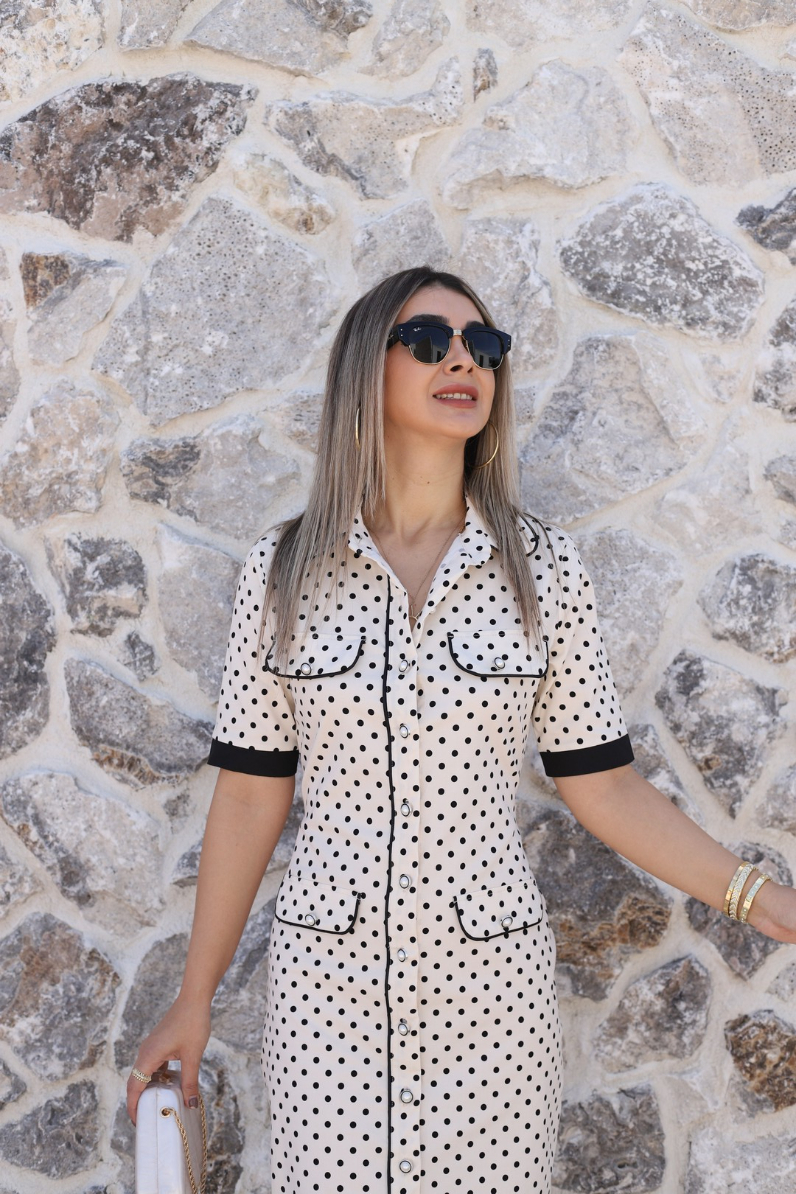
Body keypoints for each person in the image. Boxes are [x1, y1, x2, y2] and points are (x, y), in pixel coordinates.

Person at [127, 266, 796, 1193]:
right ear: (366, 370)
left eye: (483, 346)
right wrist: (193, 999)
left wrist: (760, 899)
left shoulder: (543, 571)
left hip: (492, 997)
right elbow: (249, 791)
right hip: (327, 998)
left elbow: (603, 783)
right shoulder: (284, 571)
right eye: (427, 341)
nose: (463, 361)